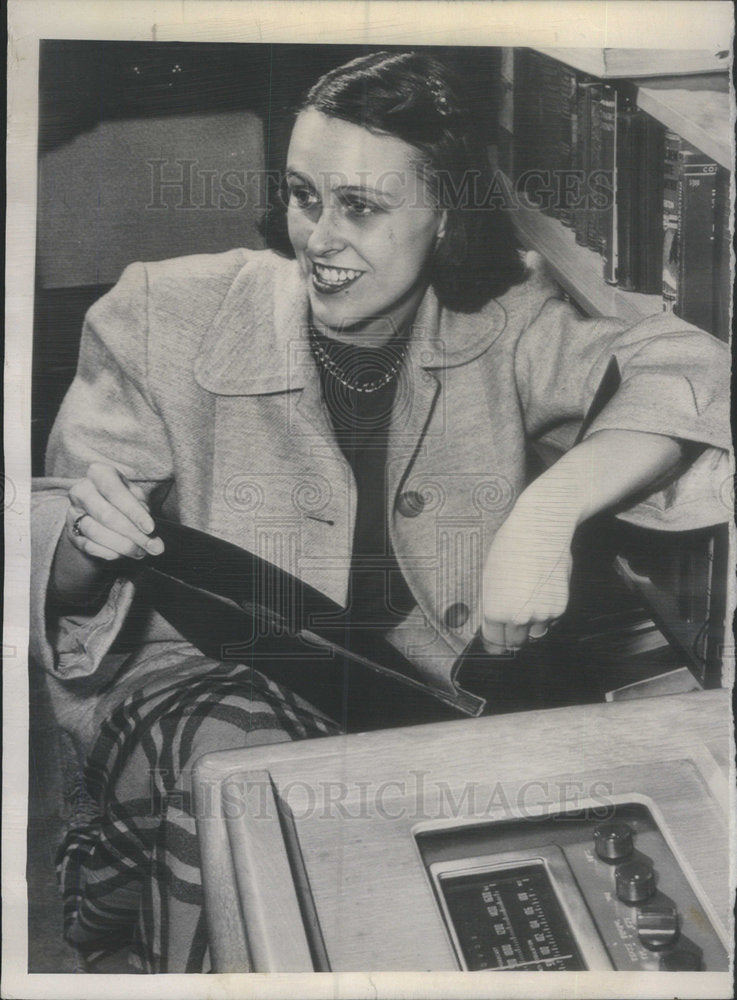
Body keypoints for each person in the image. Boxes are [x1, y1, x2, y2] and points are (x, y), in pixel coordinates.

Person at [31, 51, 730, 972]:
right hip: (188, 671)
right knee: (242, 764)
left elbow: (689, 370)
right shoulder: (161, 312)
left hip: (406, 694)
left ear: (444, 215)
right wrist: (85, 542)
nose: (318, 236)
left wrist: (544, 513)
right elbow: (48, 551)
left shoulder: (508, 319)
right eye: (302, 195)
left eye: (360, 206)